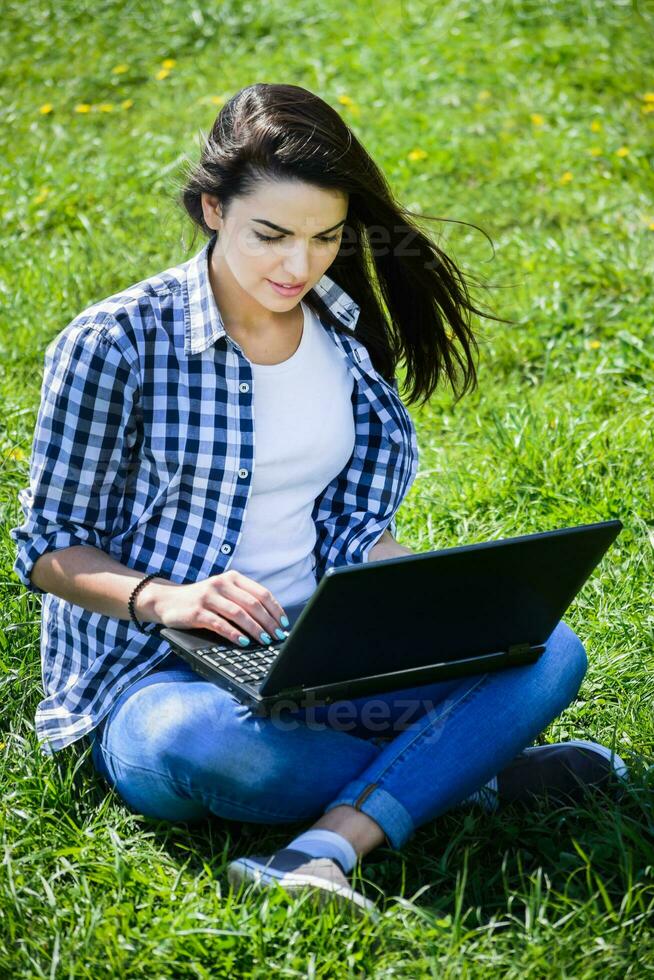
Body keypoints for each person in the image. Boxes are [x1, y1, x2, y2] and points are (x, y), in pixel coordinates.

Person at [10, 83, 628, 915]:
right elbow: (49, 546)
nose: (298, 266)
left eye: (324, 238)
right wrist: (167, 599)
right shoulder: (115, 342)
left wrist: (426, 594)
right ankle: (466, 771)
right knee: (211, 748)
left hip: (322, 651)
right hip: (156, 678)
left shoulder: (341, 332)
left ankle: (324, 847)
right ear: (210, 210)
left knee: (550, 648)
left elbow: (348, 527)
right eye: (270, 235)